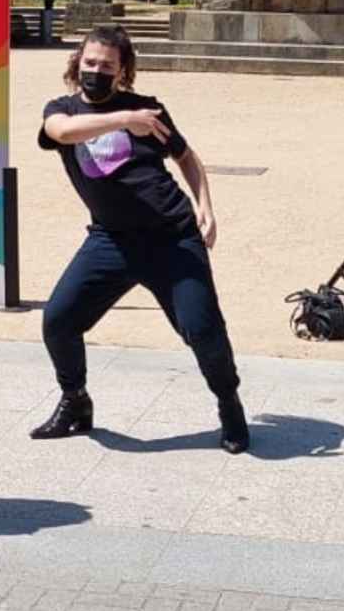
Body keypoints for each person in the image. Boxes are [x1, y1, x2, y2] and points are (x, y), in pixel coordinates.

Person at [34, 25, 248, 453]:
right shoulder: (63, 108)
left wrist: (205, 205)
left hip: (172, 238)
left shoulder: (148, 110)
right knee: (58, 320)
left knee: (203, 330)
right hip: (109, 241)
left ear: (122, 71)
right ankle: (75, 400)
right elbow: (61, 132)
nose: (96, 71)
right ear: (77, 62)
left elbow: (186, 157)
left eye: (107, 66)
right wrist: (123, 120)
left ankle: (230, 406)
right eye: (90, 62)